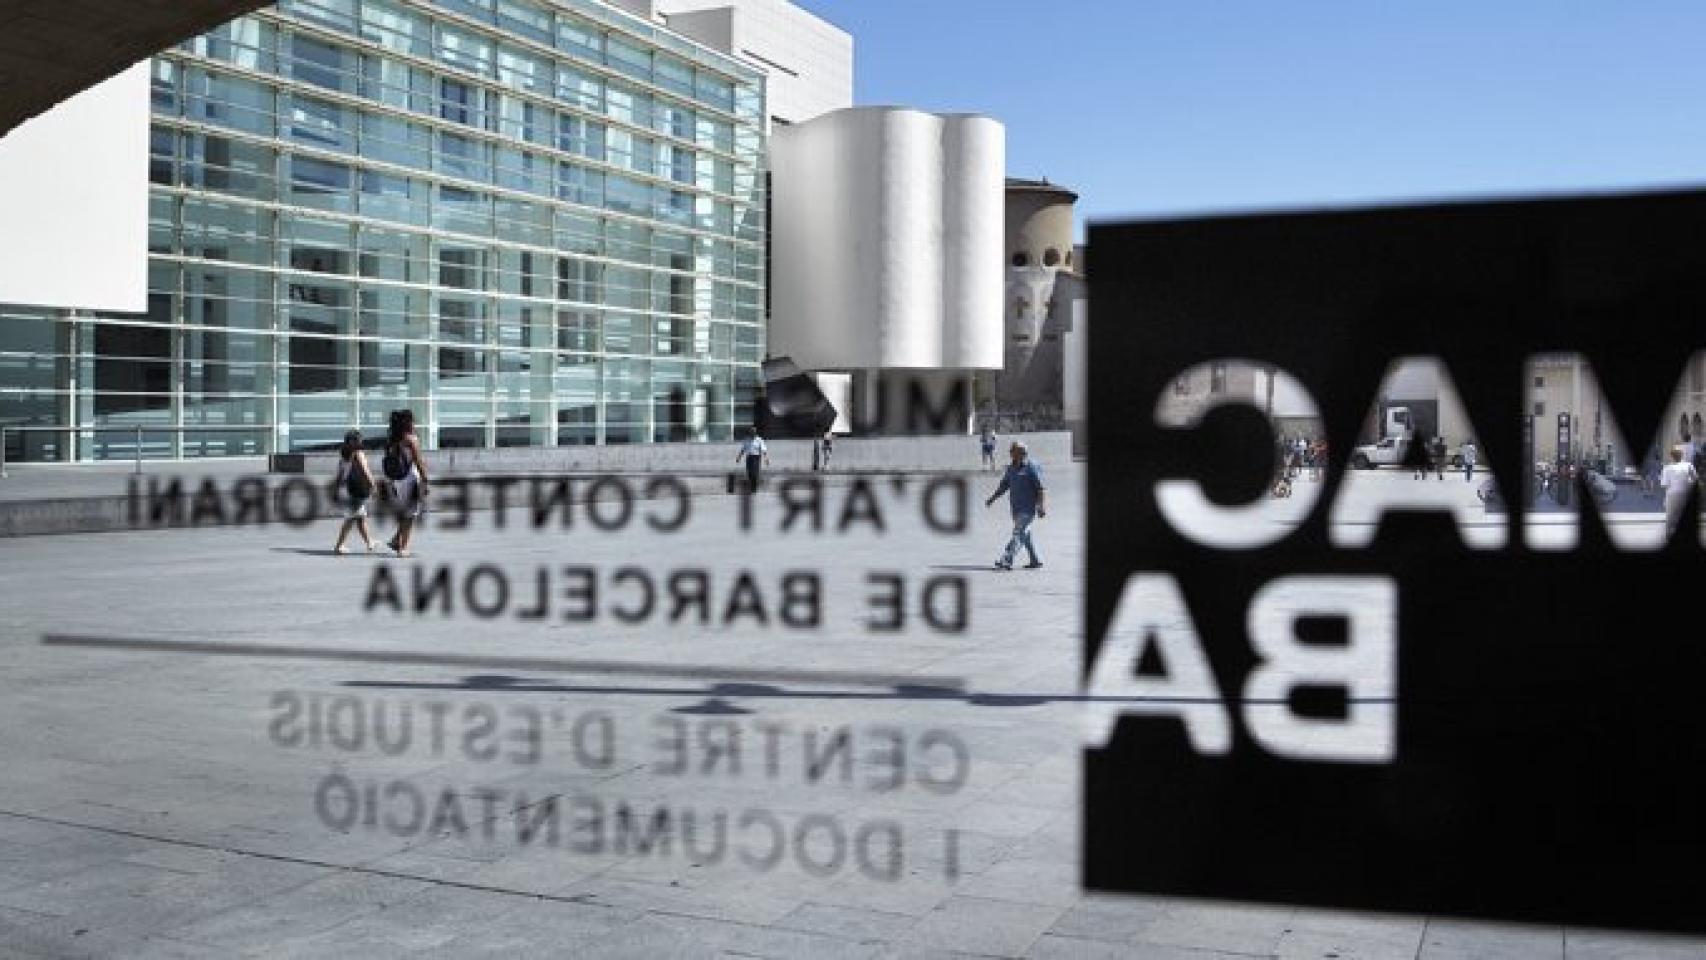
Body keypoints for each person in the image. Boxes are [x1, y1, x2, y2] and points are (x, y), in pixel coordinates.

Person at [985, 441, 1047, 570]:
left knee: (1018, 533)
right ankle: (1035, 560)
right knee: (1025, 535)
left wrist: (1041, 506)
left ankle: (1007, 559)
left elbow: (1041, 488)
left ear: (1022, 453)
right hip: (1016, 508)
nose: (1010, 453)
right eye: (1011, 450)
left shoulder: (1032, 467)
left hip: (1028, 508)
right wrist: (993, 498)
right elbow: (1004, 486)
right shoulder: (1011, 468)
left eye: (1012, 450)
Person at [382, 409, 428, 557]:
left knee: (406, 512)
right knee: (410, 514)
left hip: (397, 479)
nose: (414, 423)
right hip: (409, 478)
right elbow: (418, 460)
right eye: (412, 421)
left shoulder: (392, 439)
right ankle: (403, 548)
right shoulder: (410, 439)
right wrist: (425, 479)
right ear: (408, 423)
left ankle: (396, 540)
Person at [332, 430, 378, 555]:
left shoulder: (344, 455)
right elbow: (365, 470)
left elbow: (339, 475)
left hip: (348, 489)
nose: (361, 441)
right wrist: (373, 485)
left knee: (360, 517)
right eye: (359, 439)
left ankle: (369, 542)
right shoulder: (358, 453)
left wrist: (336, 490)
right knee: (352, 518)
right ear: (355, 441)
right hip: (356, 489)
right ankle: (339, 545)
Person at [1660, 447, 1698, 539]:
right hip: (1686, 493)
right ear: (1682, 455)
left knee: (1670, 515)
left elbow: (1664, 485)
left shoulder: (1667, 468)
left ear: (1671, 457)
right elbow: (1695, 478)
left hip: (1673, 494)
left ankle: (1668, 535)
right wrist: (1688, 484)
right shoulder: (1689, 465)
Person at [735, 428, 769, 493]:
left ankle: (754, 488)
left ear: (755, 433)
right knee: (749, 473)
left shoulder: (759, 440)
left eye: (753, 432)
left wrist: (766, 458)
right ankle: (751, 487)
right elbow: (743, 449)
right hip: (749, 457)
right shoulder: (746, 440)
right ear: (750, 433)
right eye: (751, 432)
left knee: (755, 473)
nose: (752, 434)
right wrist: (739, 457)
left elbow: (764, 450)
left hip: (756, 457)